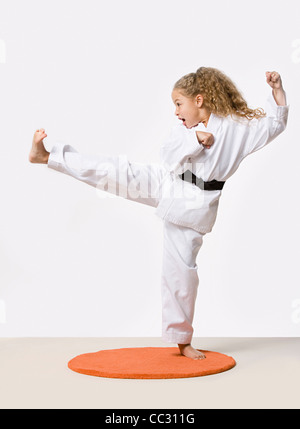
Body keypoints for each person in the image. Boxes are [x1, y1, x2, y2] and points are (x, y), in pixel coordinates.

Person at [29, 68, 289, 360]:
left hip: (194, 206)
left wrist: (277, 90)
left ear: (200, 100)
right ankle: (49, 156)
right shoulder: (185, 129)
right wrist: (195, 139)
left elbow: (274, 125)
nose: (176, 111)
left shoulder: (237, 130)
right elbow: (166, 154)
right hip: (168, 181)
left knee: (180, 272)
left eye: (179, 104)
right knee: (114, 170)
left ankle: (182, 340)